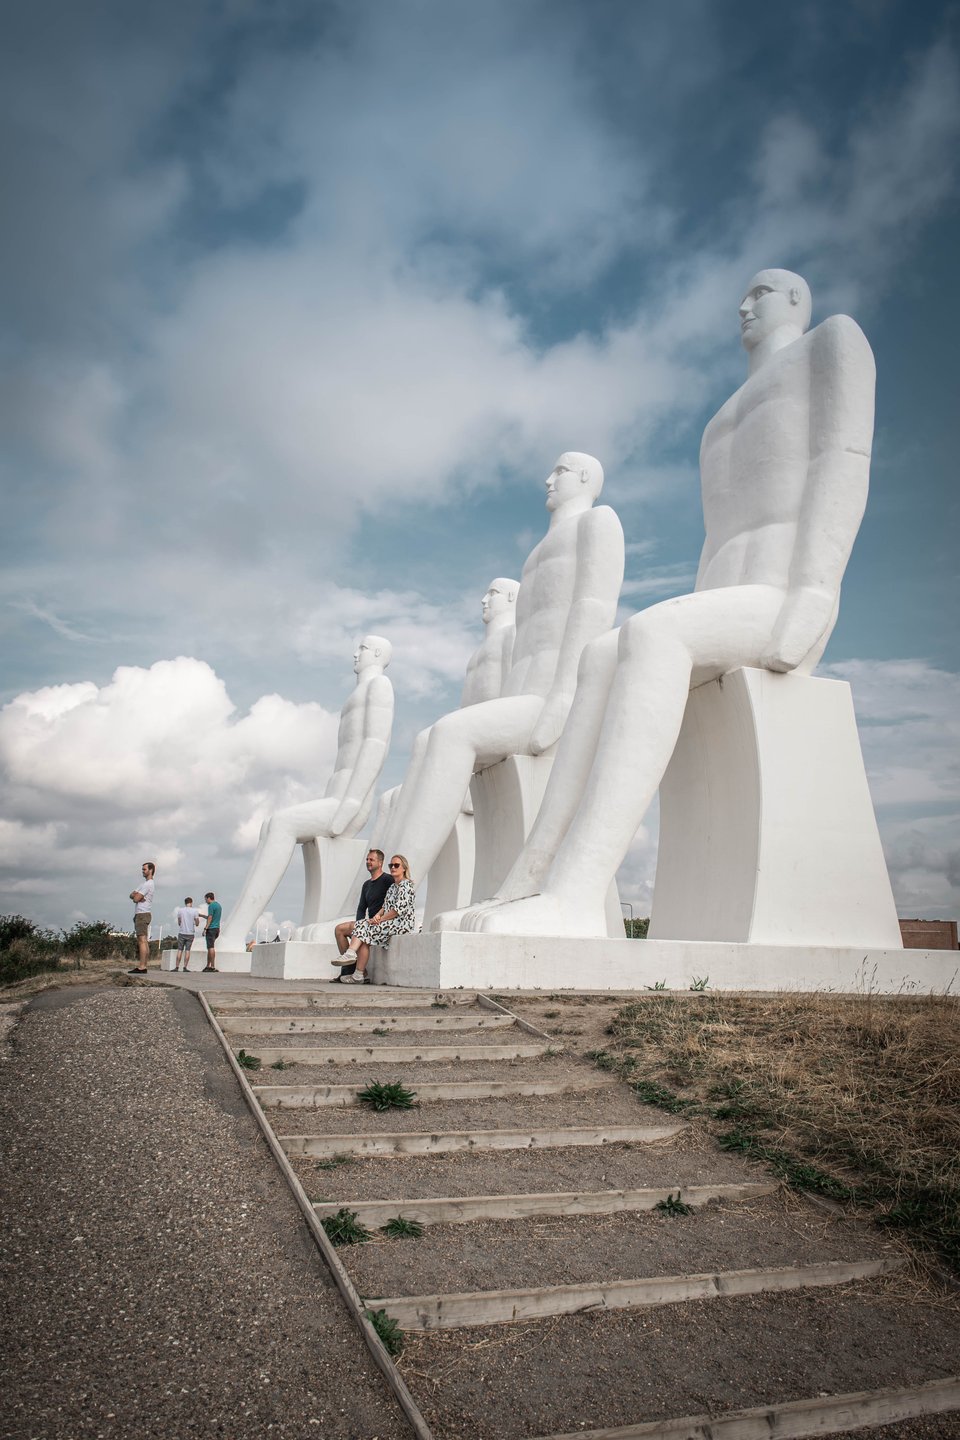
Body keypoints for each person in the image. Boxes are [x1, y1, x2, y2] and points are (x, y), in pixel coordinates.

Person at [447, 269, 876, 939]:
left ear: (795, 299)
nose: (743, 305)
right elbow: (717, 535)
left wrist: (814, 596)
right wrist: (698, 622)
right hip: (727, 606)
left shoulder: (831, 345)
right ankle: (530, 878)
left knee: (652, 632)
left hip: (782, 599)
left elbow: (842, 462)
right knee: (600, 653)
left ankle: (579, 894)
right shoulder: (719, 423)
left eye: (760, 293)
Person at [382, 455, 623, 886]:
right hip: (522, 697)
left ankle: (396, 893)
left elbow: (593, 608)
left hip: (547, 700)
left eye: (560, 471)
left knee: (453, 733)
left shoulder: (598, 522)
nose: (549, 479)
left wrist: (565, 697)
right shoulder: (535, 556)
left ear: (585, 477)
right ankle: (379, 893)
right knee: (436, 738)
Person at [218, 637, 394, 953]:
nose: (356, 653)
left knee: (283, 823)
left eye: (363, 649)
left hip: (348, 803)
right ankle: (232, 929)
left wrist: (350, 804)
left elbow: (375, 746)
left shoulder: (379, 686)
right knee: (271, 824)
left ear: (379, 654)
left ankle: (235, 931)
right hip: (336, 797)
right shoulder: (357, 694)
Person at [333, 855, 416, 983]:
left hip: (401, 923)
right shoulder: (393, 887)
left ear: (404, 868)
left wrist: (380, 920)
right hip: (389, 921)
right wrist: (378, 915)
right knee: (363, 925)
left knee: (365, 928)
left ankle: (351, 956)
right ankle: (358, 974)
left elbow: (396, 910)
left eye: (396, 865)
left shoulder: (406, 886)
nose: (393, 868)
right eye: (391, 865)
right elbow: (385, 907)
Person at [330, 849, 392, 982]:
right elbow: (361, 908)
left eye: (371, 860)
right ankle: (350, 969)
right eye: (367, 859)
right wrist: (358, 927)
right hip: (367, 923)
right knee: (339, 930)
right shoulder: (366, 885)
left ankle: (359, 973)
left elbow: (392, 902)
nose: (368, 862)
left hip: (381, 922)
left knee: (363, 941)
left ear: (380, 863)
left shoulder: (387, 879)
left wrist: (380, 918)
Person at [128, 861, 156, 974]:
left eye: (144, 869)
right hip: (142, 914)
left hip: (142, 914)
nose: (142, 871)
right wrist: (137, 896)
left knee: (142, 940)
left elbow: (135, 898)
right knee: (143, 940)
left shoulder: (147, 884)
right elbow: (132, 895)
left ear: (151, 870)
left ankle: (142, 966)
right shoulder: (144, 884)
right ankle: (143, 965)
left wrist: (137, 896)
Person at [174, 897, 201, 972]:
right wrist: (195, 923)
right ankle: (185, 967)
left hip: (182, 932)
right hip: (190, 933)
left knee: (180, 950)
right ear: (191, 902)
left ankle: (176, 967)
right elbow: (197, 923)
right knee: (187, 950)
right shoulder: (195, 911)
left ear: (185, 903)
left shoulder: (180, 910)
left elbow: (179, 922)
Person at [203, 891, 222, 972]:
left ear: (208, 898)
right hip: (217, 928)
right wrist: (202, 916)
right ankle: (208, 965)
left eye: (205, 899)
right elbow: (214, 917)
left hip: (211, 928)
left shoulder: (211, 906)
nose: (205, 901)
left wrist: (205, 928)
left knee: (211, 947)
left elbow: (210, 918)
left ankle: (212, 966)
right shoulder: (218, 905)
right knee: (209, 947)